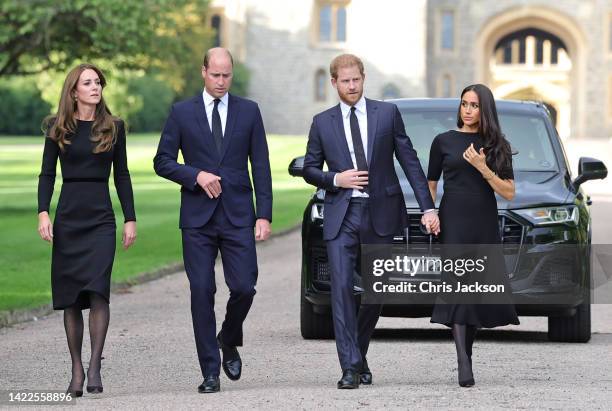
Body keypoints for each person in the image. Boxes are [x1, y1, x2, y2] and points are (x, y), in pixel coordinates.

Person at [302, 54, 440, 389]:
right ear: (333, 82)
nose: (352, 87)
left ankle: (358, 353)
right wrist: (337, 179)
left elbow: (409, 162)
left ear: (363, 78)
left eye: (356, 80)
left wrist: (428, 208)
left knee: (377, 291)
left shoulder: (387, 114)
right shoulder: (322, 122)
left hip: (380, 213)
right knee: (342, 290)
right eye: (345, 81)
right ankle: (349, 367)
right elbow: (309, 168)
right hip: (342, 215)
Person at [153, 47, 272, 394]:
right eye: (215, 75)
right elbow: (162, 161)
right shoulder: (181, 113)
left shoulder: (249, 111)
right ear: (203, 72)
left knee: (245, 287)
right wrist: (195, 175)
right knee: (201, 290)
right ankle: (209, 371)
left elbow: (261, 166)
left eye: (227, 75)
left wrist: (263, 214)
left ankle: (229, 337)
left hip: (237, 215)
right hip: (197, 218)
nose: (221, 82)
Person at [37, 63, 137, 396]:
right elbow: (47, 175)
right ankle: (76, 370)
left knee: (98, 290)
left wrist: (130, 218)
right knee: (70, 298)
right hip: (69, 217)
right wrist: (43, 213)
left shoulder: (114, 127)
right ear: (74, 91)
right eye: (88, 83)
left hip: (100, 220)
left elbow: (122, 175)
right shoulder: (57, 127)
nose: (95, 87)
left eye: (98, 83)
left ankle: (94, 366)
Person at [427, 84, 520, 387]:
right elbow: (430, 183)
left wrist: (483, 167)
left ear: (485, 110)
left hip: (483, 220)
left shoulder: (497, 147)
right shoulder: (443, 141)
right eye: (464, 104)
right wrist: (432, 213)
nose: (467, 110)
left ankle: (466, 354)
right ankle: (463, 361)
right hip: (453, 219)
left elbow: (509, 192)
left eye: (474, 105)